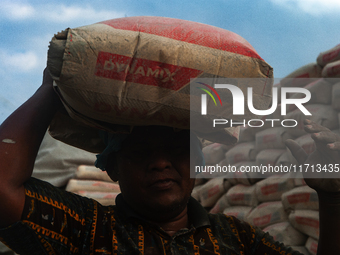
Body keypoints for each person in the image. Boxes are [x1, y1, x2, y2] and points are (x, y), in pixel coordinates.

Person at [0, 69, 340, 255]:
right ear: (113, 167)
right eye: (140, 151)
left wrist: (331, 197)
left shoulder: (236, 239)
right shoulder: (88, 229)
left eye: (176, 148)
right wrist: (52, 86)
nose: (160, 162)